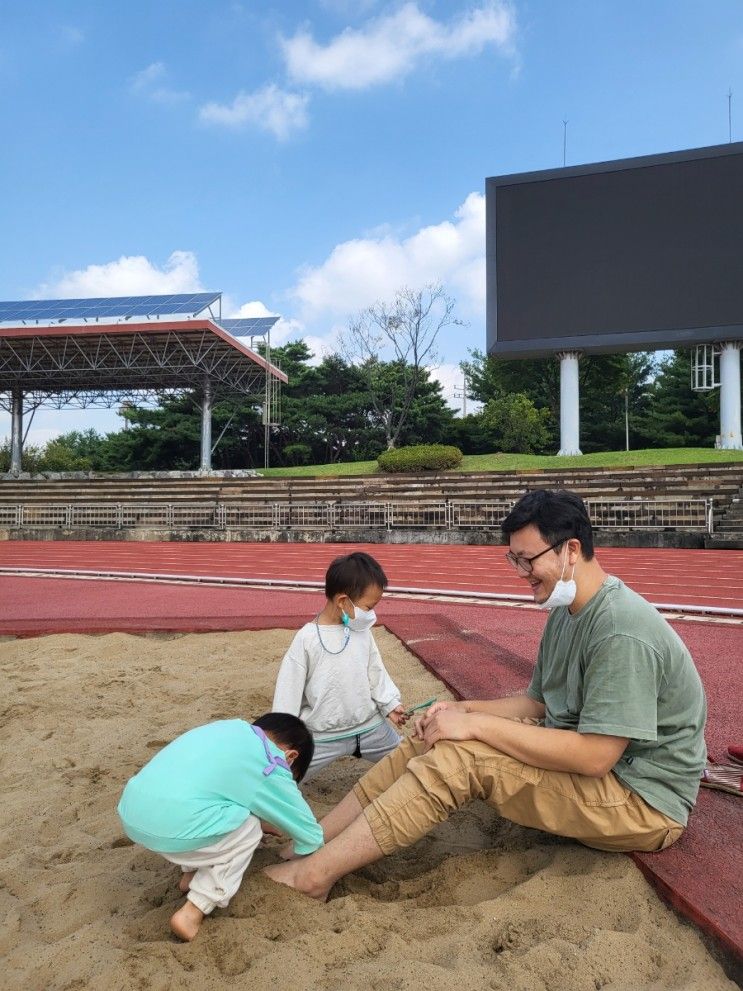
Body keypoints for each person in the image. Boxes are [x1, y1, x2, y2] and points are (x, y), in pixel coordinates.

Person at [264, 489, 707, 900]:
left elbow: (595, 756)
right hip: (602, 777)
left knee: (462, 758)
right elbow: (539, 702)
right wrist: (459, 709)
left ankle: (315, 875)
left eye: (527, 560)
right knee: (433, 732)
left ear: (571, 550)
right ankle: (318, 839)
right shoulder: (567, 610)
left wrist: (475, 724)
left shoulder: (621, 631)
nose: (521, 574)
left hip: (640, 802)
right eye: (513, 559)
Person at [117, 713, 322, 940]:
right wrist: (306, 849)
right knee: (248, 830)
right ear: (291, 756)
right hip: (171, 826)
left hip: (132, 809)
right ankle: (193, 911)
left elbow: (218, 785)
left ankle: (191, 875)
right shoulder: (271, 760)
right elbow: (309, 832)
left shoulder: (230, 729)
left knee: (210, 806)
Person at [273, 551, 408, 777]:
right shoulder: (307, 639)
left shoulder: (361, 631)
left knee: (409, 761)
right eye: (368, 607)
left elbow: (375, 670)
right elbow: (288, 691)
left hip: (369, 728)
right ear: (343, 601)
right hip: (321, 736)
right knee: (281, 778)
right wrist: (282, 739)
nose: (372, 614)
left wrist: (390, 705)